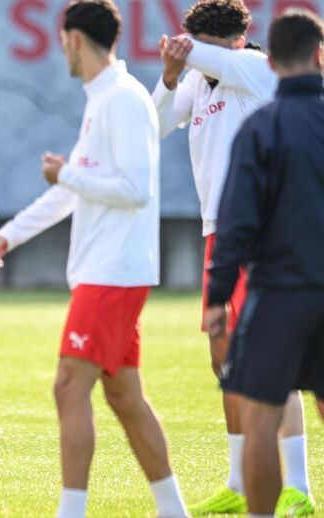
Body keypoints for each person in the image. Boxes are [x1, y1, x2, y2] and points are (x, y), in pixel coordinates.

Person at [0, 1, 187, 516]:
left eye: (62, 40)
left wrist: (66, 175)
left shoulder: (120, 98)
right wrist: (11, 233)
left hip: (113, 273)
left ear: (73, 38)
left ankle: (70, 512)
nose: (62, 50)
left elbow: (134, 190)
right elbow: (75, 191)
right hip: (108, 271)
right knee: (123, 397)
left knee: (68, 386)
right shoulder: (105, 98)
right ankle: (173, 509)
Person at [152, 0, 314, 514]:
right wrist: (171, 75)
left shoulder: (255, 68)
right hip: (216, 234)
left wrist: (189, 52)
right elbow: (151, 129)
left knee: (272, 359)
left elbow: (219, 61)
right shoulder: (199, 79)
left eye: (206, 47)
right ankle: (240, 483)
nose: (199, 57)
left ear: (237, 42)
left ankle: (300, 488)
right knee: (226, 361)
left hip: (259, 236)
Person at [206, 8, 324, 517]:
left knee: (259, 415)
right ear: (321, 55)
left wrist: (217, 297)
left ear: (270, 61)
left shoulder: (261, 127)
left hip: (279, 292)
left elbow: (235, 222)